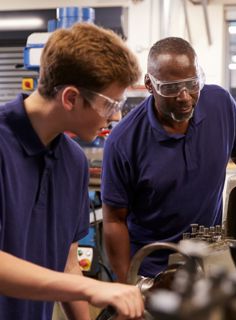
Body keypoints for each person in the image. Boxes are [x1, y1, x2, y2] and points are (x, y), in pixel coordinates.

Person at [101, 36, 236, 282]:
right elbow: (114, 220)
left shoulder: (219, 104)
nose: (184, 96)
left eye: (192, 83)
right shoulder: (123, 141)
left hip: (210, 262)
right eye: (171, 88)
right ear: (149, 84)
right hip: (153, 272)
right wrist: (128, 284)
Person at [0, 23, 144, 320]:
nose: (116, 115)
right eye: (110, 104)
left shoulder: (74, 162)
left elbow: (68, 262)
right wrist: (88, 289)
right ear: (70, 98)